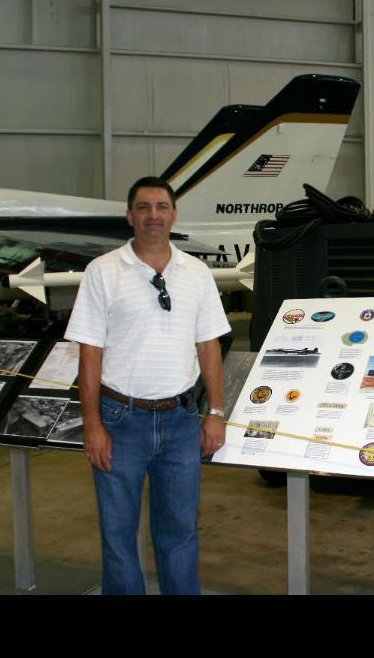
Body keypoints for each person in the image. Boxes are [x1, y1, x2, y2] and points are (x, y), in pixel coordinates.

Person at [64, 176, 230, 595]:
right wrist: (92, 424)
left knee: (179, 531)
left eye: (161, 207)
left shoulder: (196, 273)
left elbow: (209, 347)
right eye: (143, 207)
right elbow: (90, 355)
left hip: (181, 423)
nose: (153, 215)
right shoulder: (102, 272)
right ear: (129, 216)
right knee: (118, 534)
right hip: (120, 422)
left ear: (173, 215)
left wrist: (215, 413)